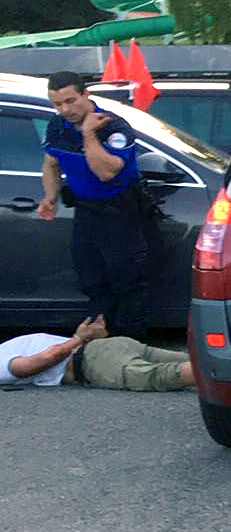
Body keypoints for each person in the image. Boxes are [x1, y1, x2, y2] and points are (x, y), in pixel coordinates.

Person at [38, 71, 158, 339]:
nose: (65, 109)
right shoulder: (57, 125)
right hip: (86, 210)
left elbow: (106, 172)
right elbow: (51, 163)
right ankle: (101, 342)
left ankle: (130, 344)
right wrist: (50, 196)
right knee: (92, 280)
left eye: (70, 101)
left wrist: (89, 135)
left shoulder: (113, 126)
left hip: (120, 210)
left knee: (128, 281)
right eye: (57, 104)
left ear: (86, 95)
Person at [1, 316, 194, 392]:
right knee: (191, 360)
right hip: (109, 345)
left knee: (160, 376)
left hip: (93, 362)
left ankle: (221, 376)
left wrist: (79, 337)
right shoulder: (10, 345)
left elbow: (49, 357)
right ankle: (220, 366)